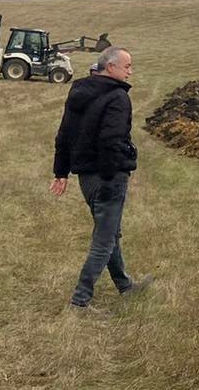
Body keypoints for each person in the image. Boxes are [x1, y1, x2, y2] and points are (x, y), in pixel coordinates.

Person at [50, 46, 150, 311]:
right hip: (108, 178)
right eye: (127, 66)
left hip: (86, 178)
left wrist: (61, 172)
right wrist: (110, 176)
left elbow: (64, 135)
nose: (131, 71)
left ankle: (125, 286)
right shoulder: (118, 98)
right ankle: (79, 301)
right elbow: (111, 140)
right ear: (110, 67)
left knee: (110, 233)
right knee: (103, 241)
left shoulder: (79, 92)